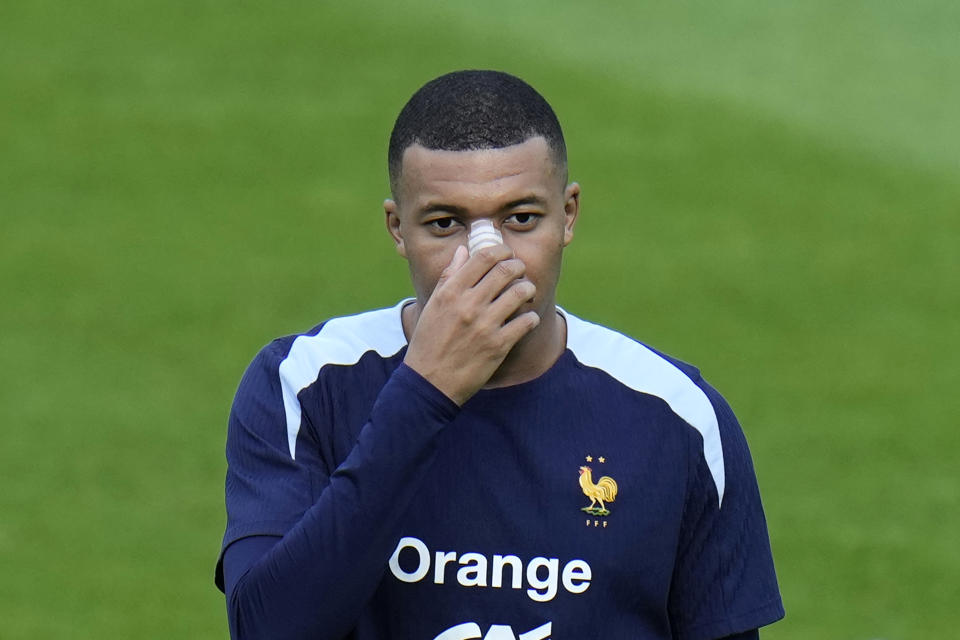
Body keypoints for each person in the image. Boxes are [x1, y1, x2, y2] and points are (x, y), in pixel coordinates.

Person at [215, 70, 784, 640]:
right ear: (397, 229)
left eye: (521, 219)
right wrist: (425, 392)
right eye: (445, 223)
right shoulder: (306, 385)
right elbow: (266, 629)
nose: (487, 258)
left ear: (569, 215)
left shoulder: (676, 418)